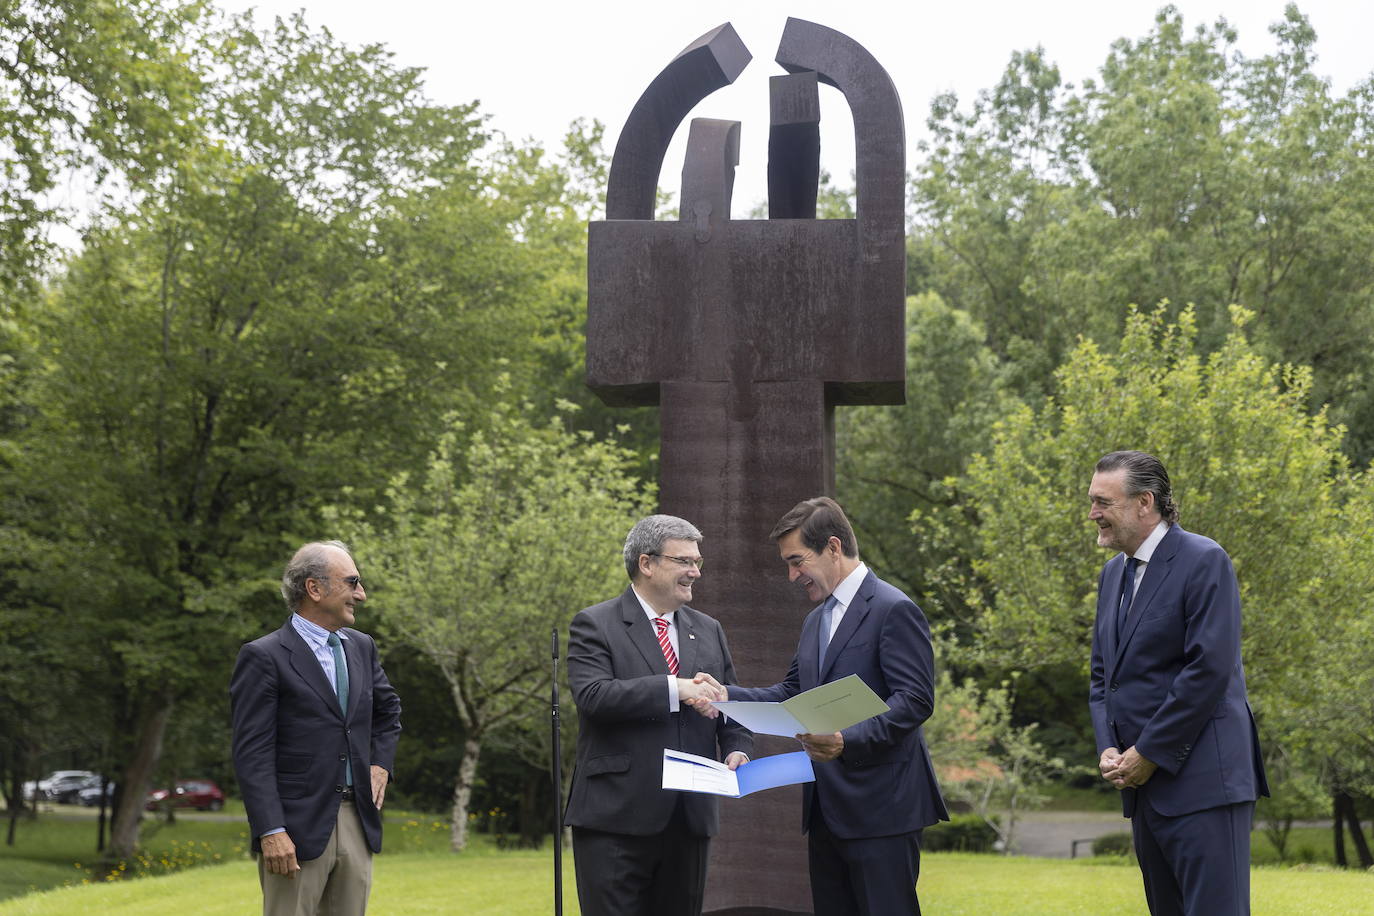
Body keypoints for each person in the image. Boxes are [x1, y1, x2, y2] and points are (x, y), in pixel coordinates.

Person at [700, 496, 948, 915]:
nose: (792, 574)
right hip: (825, 810)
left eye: (797, 561)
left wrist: (845, 740)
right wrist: (726, 696)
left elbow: (915, 700)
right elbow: (792, 693)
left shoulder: (894, 608)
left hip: (883, 809)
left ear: (833, 547)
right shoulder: (815, 620)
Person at [1088, 451, 1268, 916]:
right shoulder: (1112, 575)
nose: (1092, 514)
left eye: (1103, 502)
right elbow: (1103, 677)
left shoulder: (1205, 560)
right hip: (1142, 787)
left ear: (1144, 502)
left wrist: (1147, 753)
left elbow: (1207, 670)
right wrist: (1110, 749)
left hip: (1206, 781)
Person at [563, 514, 753, 916]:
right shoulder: (594, 624)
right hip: (616, 817)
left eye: (697, 561)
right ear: (646, 563)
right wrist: (676, 687)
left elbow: (730, 707)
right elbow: (594, 697)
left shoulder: (710, 629)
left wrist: (738, 748)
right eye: (684, 561)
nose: (695, 572)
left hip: (690, 818)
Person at [231, 540, 402, 916]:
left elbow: (389, 712)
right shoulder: (264, 657)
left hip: (357, 821)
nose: (362, 594)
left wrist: (380, 764)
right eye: (352, 582)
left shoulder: (361, 647)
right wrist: (271, 830)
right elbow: (251, 753)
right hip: (294, 829)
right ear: (314, 588)